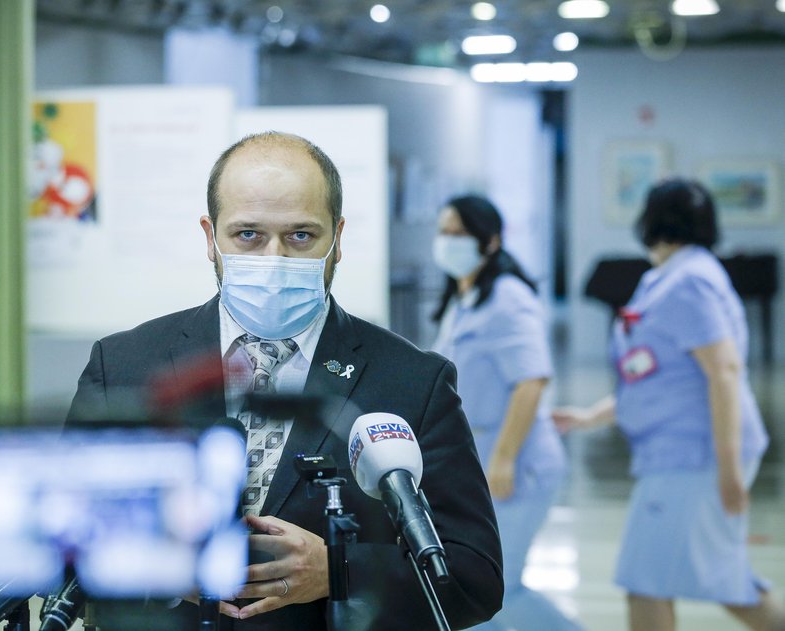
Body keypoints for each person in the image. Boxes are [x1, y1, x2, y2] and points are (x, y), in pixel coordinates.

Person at [67, 131, 503, 630]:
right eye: (248, 234)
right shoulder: (124, 365)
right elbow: (56, 545)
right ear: (210, 238)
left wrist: (338, 572)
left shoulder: (413, 382)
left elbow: (475, 579)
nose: (273, 259)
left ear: (337, 240)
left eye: (300, 235)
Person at [553, 178, 785, 631]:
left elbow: (724, 372)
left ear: (649, 220)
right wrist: (590, 417)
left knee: (650, 581)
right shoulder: (665, 279)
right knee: (721, 585)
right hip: (676, 455)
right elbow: (657, 376)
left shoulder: (689, 283)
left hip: (694, 458)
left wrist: (729, 467)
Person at [430, 195, 583, 631]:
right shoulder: (467, 297)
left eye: (460, 233)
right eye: (444, 231)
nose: (448, 242)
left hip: (516, 466)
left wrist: (504, 458)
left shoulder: (508, 297)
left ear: (491, 240)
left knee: (501, 589)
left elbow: (531, 380)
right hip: (480, 462)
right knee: (473, 588)